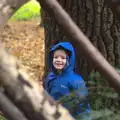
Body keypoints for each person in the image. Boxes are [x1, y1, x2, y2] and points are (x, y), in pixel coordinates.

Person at [44, 42, 91, 119]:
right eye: (56, 57)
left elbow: (83, 106)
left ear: (69, 60)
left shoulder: (75, 80)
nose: (58, 60)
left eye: (63, 58)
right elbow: (47, 96)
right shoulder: (50, 77)